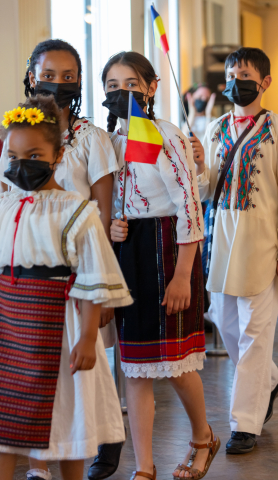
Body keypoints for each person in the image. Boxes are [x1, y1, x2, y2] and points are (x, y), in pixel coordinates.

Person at [0, 94, 132, 480]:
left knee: (68, 424)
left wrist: (87, 337)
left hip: (58, 327)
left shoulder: (75, 209)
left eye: (33, 155)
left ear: (58, 155)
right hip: (7, 327)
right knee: (2, 429)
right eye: (13, 158)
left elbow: (93, 276)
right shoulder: (9, 205)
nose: (21, 165)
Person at [103, 51, 220, 480]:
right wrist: (116, 224)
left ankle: (202, 438)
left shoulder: (164, 135)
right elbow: (117, 200)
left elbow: (189, 206)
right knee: (135, 366)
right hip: (130, 254)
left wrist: (183, 274)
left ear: (151, 88)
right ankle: (145, 467)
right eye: (112, 87)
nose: (122, 94)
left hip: (170, 249)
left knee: (177, 365)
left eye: (131, 85)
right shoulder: (111, 141)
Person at [189, 47, 278, 454]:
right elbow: (204, 189)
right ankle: (270, 379)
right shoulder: (216, 126)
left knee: (256, 335)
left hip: (262, 242)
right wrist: (199, 164)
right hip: (221, 242)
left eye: (246, 75)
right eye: (232, 74)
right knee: (228, 326)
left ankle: (244, 425)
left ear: (265, 82)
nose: (237, 82)